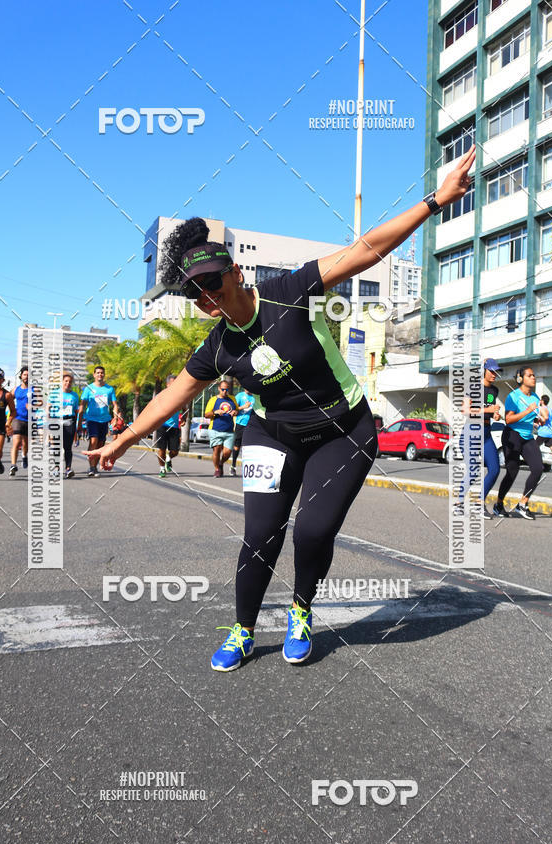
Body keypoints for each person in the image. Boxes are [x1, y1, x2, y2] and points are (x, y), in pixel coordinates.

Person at [85, 147, 475, 671]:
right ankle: (243, 629)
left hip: (344, 429)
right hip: (273, 435)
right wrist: (122, 440)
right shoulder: (218, 347)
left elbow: (365, 250)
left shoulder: (289, 291)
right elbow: (171, 396)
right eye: (196, 296)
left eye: (212, 284)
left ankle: (301, 609)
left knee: (313, 530)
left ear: (236, 272)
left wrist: (434, 201)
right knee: (260, 535)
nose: (207, 299)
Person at [493, 366, 547, 520]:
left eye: (534, 375)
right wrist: (528, 411)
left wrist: (539, 421)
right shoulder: (513, 396)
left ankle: (522, 504)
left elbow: (533, 418)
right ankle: (499, 504)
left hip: (527, 437)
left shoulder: (535, 397)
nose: (533, 377)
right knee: (512, 471)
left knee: (538, 469)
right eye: (530, 375)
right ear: (521, 379)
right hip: (512, 435)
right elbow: (508, 419)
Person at [459, 359, 503, 519]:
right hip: (472, 430)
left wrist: (495, 414)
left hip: (486, 432)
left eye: (496, 371)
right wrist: (487, 409)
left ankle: (478, 504)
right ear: (483, 370)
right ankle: (458, 504)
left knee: (495, 469)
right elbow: (465, 410)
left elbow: (489, 409)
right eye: (492, 371)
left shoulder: (494, 391)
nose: (494, 374)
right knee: (473, 470)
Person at [78, 366, 119, 477]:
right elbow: (82, 405)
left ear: (104, 375)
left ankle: (94, 467)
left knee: (100, 444)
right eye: (98, 373)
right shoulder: (88, 389)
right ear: (94, 375)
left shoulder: (109, 389)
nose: (100, 375)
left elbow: (115, 405)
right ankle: (91, 467)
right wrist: (79, 422)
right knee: (93, 441)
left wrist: (115, 417)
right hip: (92, 419)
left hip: (104, 420)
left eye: (102, 373)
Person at [155, 374, 187, 477]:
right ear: (167, 384)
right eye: (173, 384)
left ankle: (168, 459)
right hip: (162, 426)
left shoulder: (180, 396)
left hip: (174, 427)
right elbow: (154, 409)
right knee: (161, 450)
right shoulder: (161, 395)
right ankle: (162, 469)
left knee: (175, 451)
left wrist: (184, 419)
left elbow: (185, 409)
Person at [49, 372, 79, 478]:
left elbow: (76, 410)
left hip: (69, 421)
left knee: (67, 447)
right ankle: (56, 468)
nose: (68, 383)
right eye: (66, 381)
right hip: (56, 421)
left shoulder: (74, 395)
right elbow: (48, 407)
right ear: (62, 382)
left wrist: (77, 425)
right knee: (57, 446)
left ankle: (68, 469)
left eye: (70, 382)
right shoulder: (54, 393)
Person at [205, 380, 238, 477]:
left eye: (227, 389)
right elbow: (206, 414)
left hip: (229, 430)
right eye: (223, 389)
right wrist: (215, 412)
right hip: (215, 429)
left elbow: (237, 410)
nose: (225, 391)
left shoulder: (232, 398)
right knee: (217, 449)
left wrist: (235, 412)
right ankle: (216, 469)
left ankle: (220, 463)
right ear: (219, 389)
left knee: (227, 453)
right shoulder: (213, 400)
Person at [9, 366, 30, 477]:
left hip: (29, 420)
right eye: (24, 374)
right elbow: (8, 399)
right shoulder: (16, 389)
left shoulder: (34, 389)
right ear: (21, 376)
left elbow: (42, 402)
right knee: (16, 442)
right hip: (17, 418)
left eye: (28, 375)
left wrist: (34, 405)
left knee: (25, 443)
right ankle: (13, 465)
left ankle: (24, 456)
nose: (26, 377)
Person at [230, 387, 254, 476]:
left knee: (248, 447)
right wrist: (244, 406)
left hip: (251, 425)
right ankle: (233, 466)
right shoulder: (240, 396)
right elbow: (234, 410)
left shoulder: (255, 397)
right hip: (241, 424)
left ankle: (248, 469)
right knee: (237, 446)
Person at [537, 395, 552, 471]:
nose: (539, 401)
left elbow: (545, 418)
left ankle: (537, 463)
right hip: (550, 432)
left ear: (542, 401)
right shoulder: (551, 410)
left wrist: (539, 420)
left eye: (540, 400)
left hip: (543, 432)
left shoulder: (542, 408)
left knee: (535, 447)